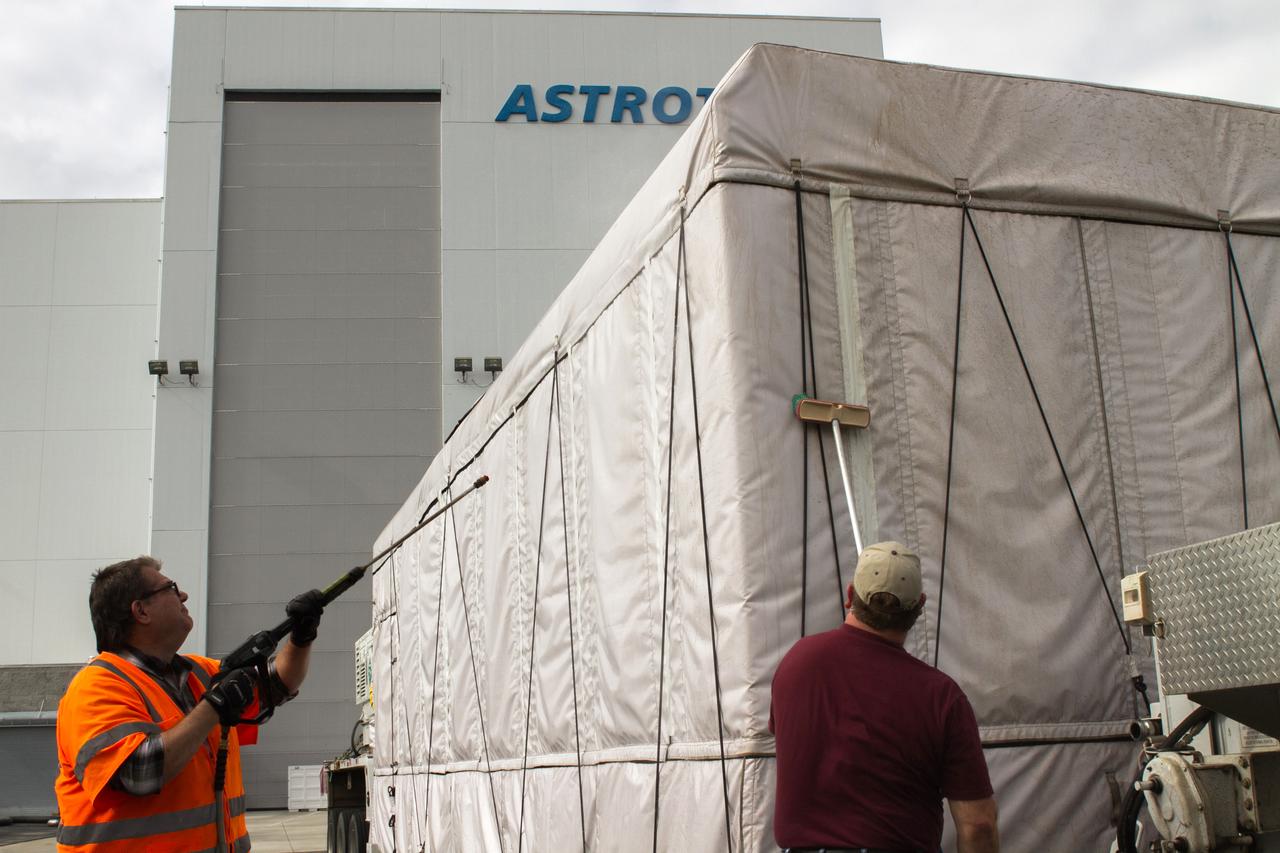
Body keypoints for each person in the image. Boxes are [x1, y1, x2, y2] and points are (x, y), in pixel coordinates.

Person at [53, 555, 327, 852]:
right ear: (141, 610)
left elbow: (276, 685)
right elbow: (138, 772)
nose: (183, 595)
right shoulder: (96, 687)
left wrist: (301, 638)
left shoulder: (198, 673)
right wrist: (214, 706)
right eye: (170, 588)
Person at [769, 541, 999, 853]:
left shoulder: (798, 662)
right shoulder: (941, 697)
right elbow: (978, 825)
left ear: (851, 595)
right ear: (919, 607)